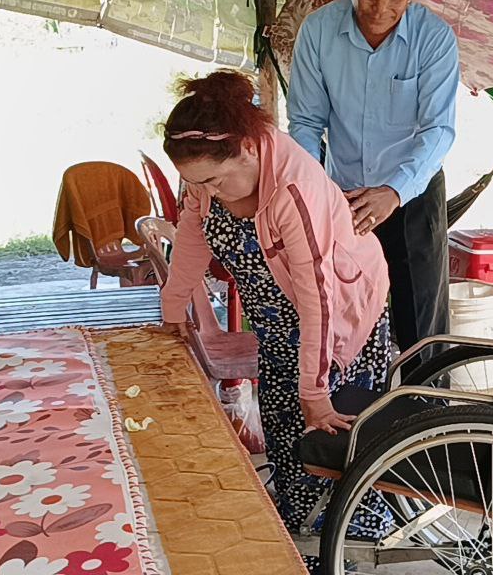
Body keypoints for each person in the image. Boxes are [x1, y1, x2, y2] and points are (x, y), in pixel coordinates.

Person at [158, 71, 393, 563]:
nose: (206, 192)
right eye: (195, 183)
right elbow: (192, 232)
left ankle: (345, 550)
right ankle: (297, 537)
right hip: (277, 325)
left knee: (327, 440)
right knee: (285, 434)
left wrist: (316, 391)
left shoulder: (292, 191)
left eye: (214, 181)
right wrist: (174, 304)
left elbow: (318, 301)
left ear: (247, 148)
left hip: (336, 321)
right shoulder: (208, 175)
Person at [288, 0, 459, 361]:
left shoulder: (434, 39)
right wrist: (317, 193)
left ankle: (424, 400)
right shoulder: (318, 32)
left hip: (412, 196)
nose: (381, 8)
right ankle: (356, 403)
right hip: (342, 198)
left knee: (421, 329)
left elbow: (438, 130)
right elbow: (306, 122)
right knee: (345, 319)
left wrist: (394, 192)